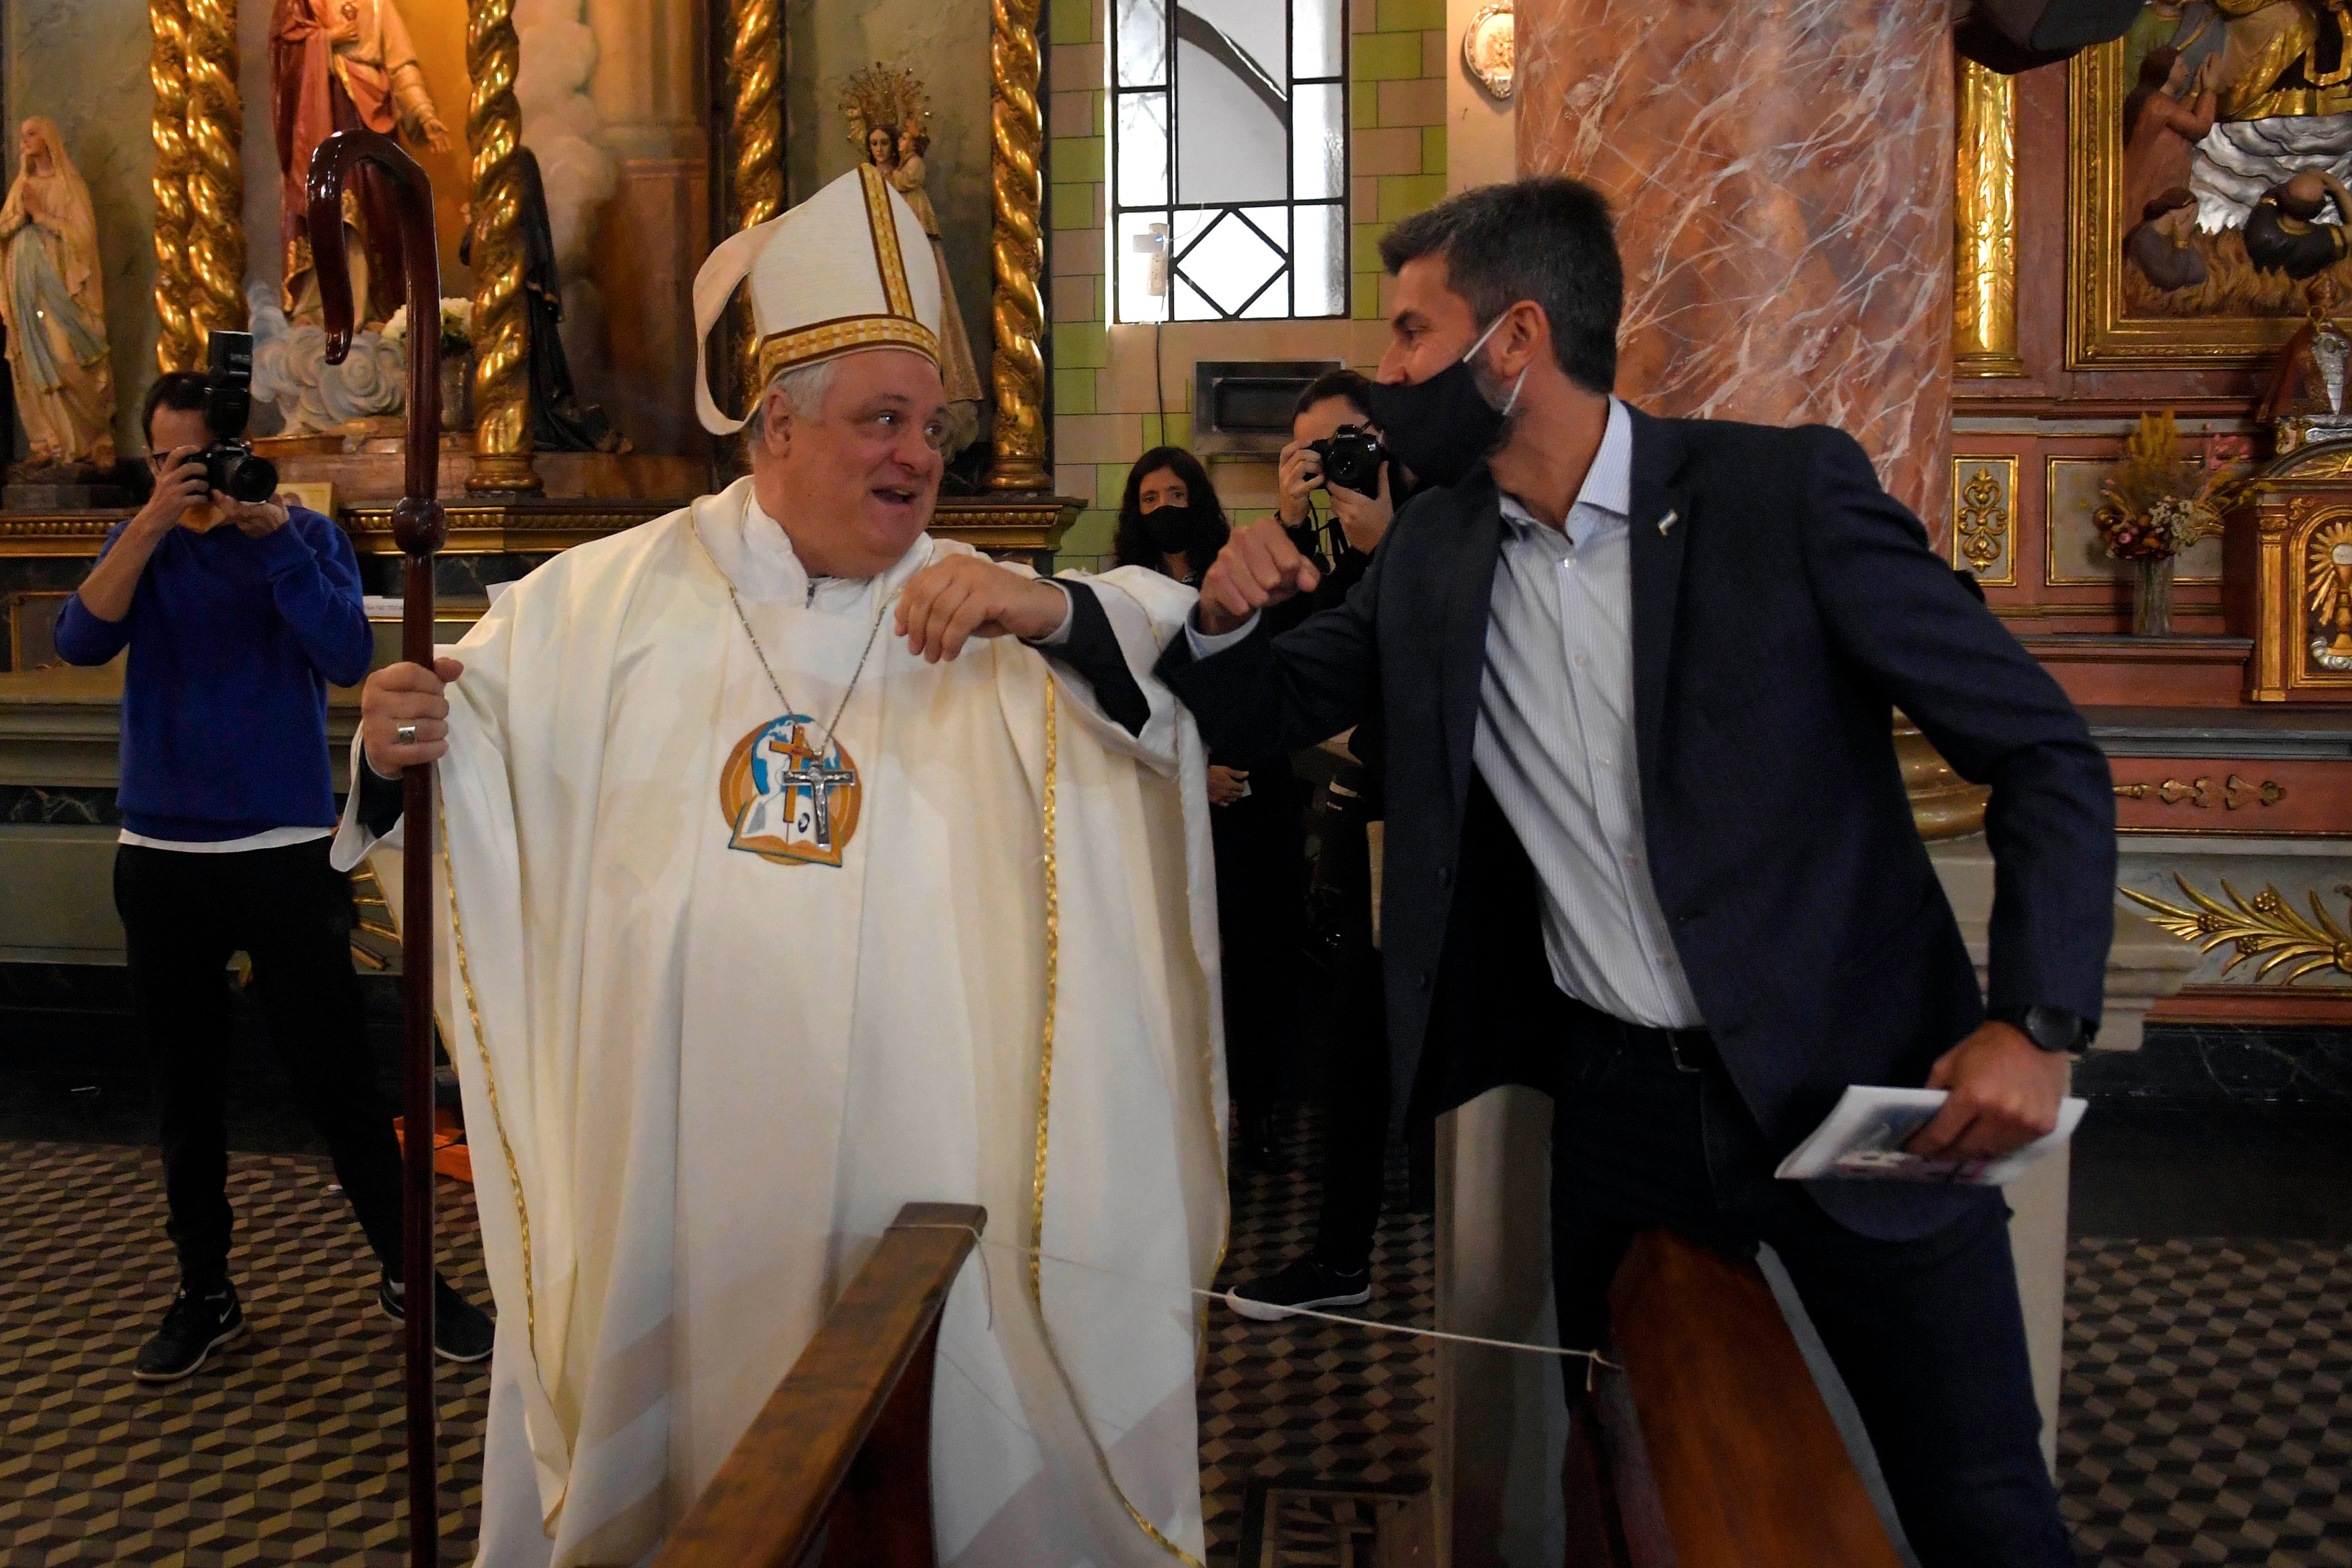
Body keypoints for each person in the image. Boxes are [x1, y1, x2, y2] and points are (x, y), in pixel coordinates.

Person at [1153, 177, 2115, 1566]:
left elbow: (2041, 751)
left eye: (1413, 333)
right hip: (1617, 1113)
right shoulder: (1432, 548)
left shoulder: (1777, 497)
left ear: (1515, 340)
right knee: (1624, 1479)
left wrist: (2035, 1022)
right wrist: (1227, 615)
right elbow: (1261, 705)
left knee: (1977, 1507)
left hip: (1855, 1077)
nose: (1388, 372)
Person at [343, 166, 1224, 1567]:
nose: (916, 456)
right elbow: (462, 761)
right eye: (881, 420)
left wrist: (1053, 608)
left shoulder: (983, 606)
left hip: (925, 1177)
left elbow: (1163, 699)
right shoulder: (605, 601)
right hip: (677, 1172)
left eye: (930, 427)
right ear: (773, 430)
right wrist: (399, 754)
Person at [50, 370, 494, 1383]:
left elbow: (345, 655)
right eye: (165, 459)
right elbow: (80, 639)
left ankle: (408, 1277)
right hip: (160, 859)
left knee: (342, 1085)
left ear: (244, 453)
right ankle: (204, 1289)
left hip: (283, 854)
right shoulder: (143, 545)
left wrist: (273, 538)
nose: (183, 475)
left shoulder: (299, 539)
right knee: (186, 1094)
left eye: (197, 458)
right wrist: (156, 523)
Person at [1229, 370, 1416, 1317]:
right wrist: (1293, 532)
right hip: (1361, 817)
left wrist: (1392, 546)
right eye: (1311, 454)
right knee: (1353, 1043)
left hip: (1436, 826)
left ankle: (1409, 1234)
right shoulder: (1331, 547)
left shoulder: (1438, 528)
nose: (1334, 467)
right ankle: (1342, 1252)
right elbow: (1296, 671)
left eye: (1346, 445)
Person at [1111, 446, 1300, 1171]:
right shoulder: (1124, 591)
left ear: (1199, 498)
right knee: (1189, 961)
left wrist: (1237, 766)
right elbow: (1135, 701)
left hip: (1255, 802)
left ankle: (1259, 1111)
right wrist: (1198, 771)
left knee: (1258, 962)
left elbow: (1267, 672)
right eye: (1150, 499)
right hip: (1179, 798)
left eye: (1175, 494)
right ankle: (1191, 1113)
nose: (1164, 509)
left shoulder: (1234, 572)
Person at [270, 0, 453, 323]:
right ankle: (324, 308)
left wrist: (425, 114)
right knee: (330, 205)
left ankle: (371, 308)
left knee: (376, 210)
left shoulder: (379, 5)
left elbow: (402, 66)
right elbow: (285, 53)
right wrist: (327, 40)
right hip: (322, 118)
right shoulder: (303, 5)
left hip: (372, 125)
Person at [0, 118, 115, 470]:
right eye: (22, 137)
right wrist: (21, 217)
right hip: (25, 287)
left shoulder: (69, 187)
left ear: (50, 139)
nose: (26, 142)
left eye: (33, 134)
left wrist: (43, 216)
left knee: (67, 356)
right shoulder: (23, 186)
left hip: (61, 289)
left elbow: (83, 238)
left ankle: (94, 440)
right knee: (33, 363)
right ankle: (48, 441)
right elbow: (4, 228)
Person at [2244, 169, 2352, 281]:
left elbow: (2272, 194)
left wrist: (2302, 182)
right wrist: (2339, 189)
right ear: (2319, 208)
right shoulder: (2323, 241)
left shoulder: (2262, 220)